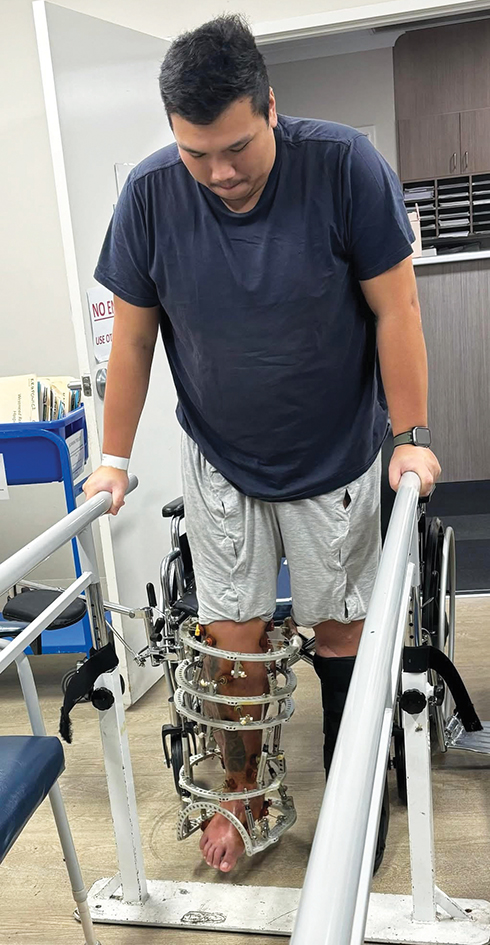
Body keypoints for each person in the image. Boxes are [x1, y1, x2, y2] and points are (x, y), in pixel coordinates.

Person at [84, 14, 441, 875]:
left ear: (272, 106)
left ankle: (355, 794)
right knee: (230, 639)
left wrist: (410, 437)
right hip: (221, 453)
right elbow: (132, 341)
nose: (221, 173)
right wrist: (113, 459)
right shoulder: (150, 195)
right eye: (197, 154)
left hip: (335, 450)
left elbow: (396, 308)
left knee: (341, 632)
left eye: (237, 147)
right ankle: (244, 794)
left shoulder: (344, 165)